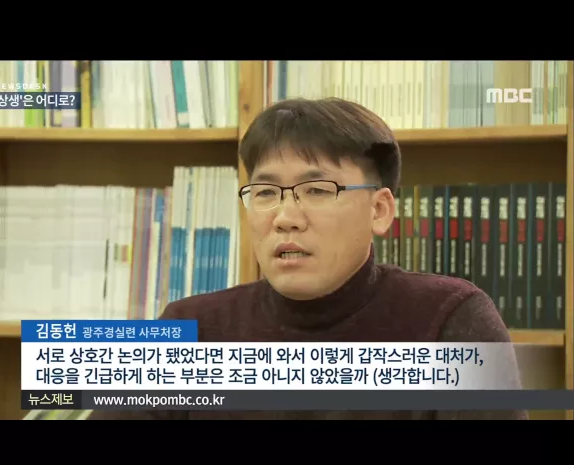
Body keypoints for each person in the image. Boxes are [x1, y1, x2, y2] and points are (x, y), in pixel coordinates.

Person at [89, 97, 528, 420]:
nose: (285, 217)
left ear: (379, 210)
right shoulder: (189, 328)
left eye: (317, 190)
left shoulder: (449, 321)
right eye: (265, 193)